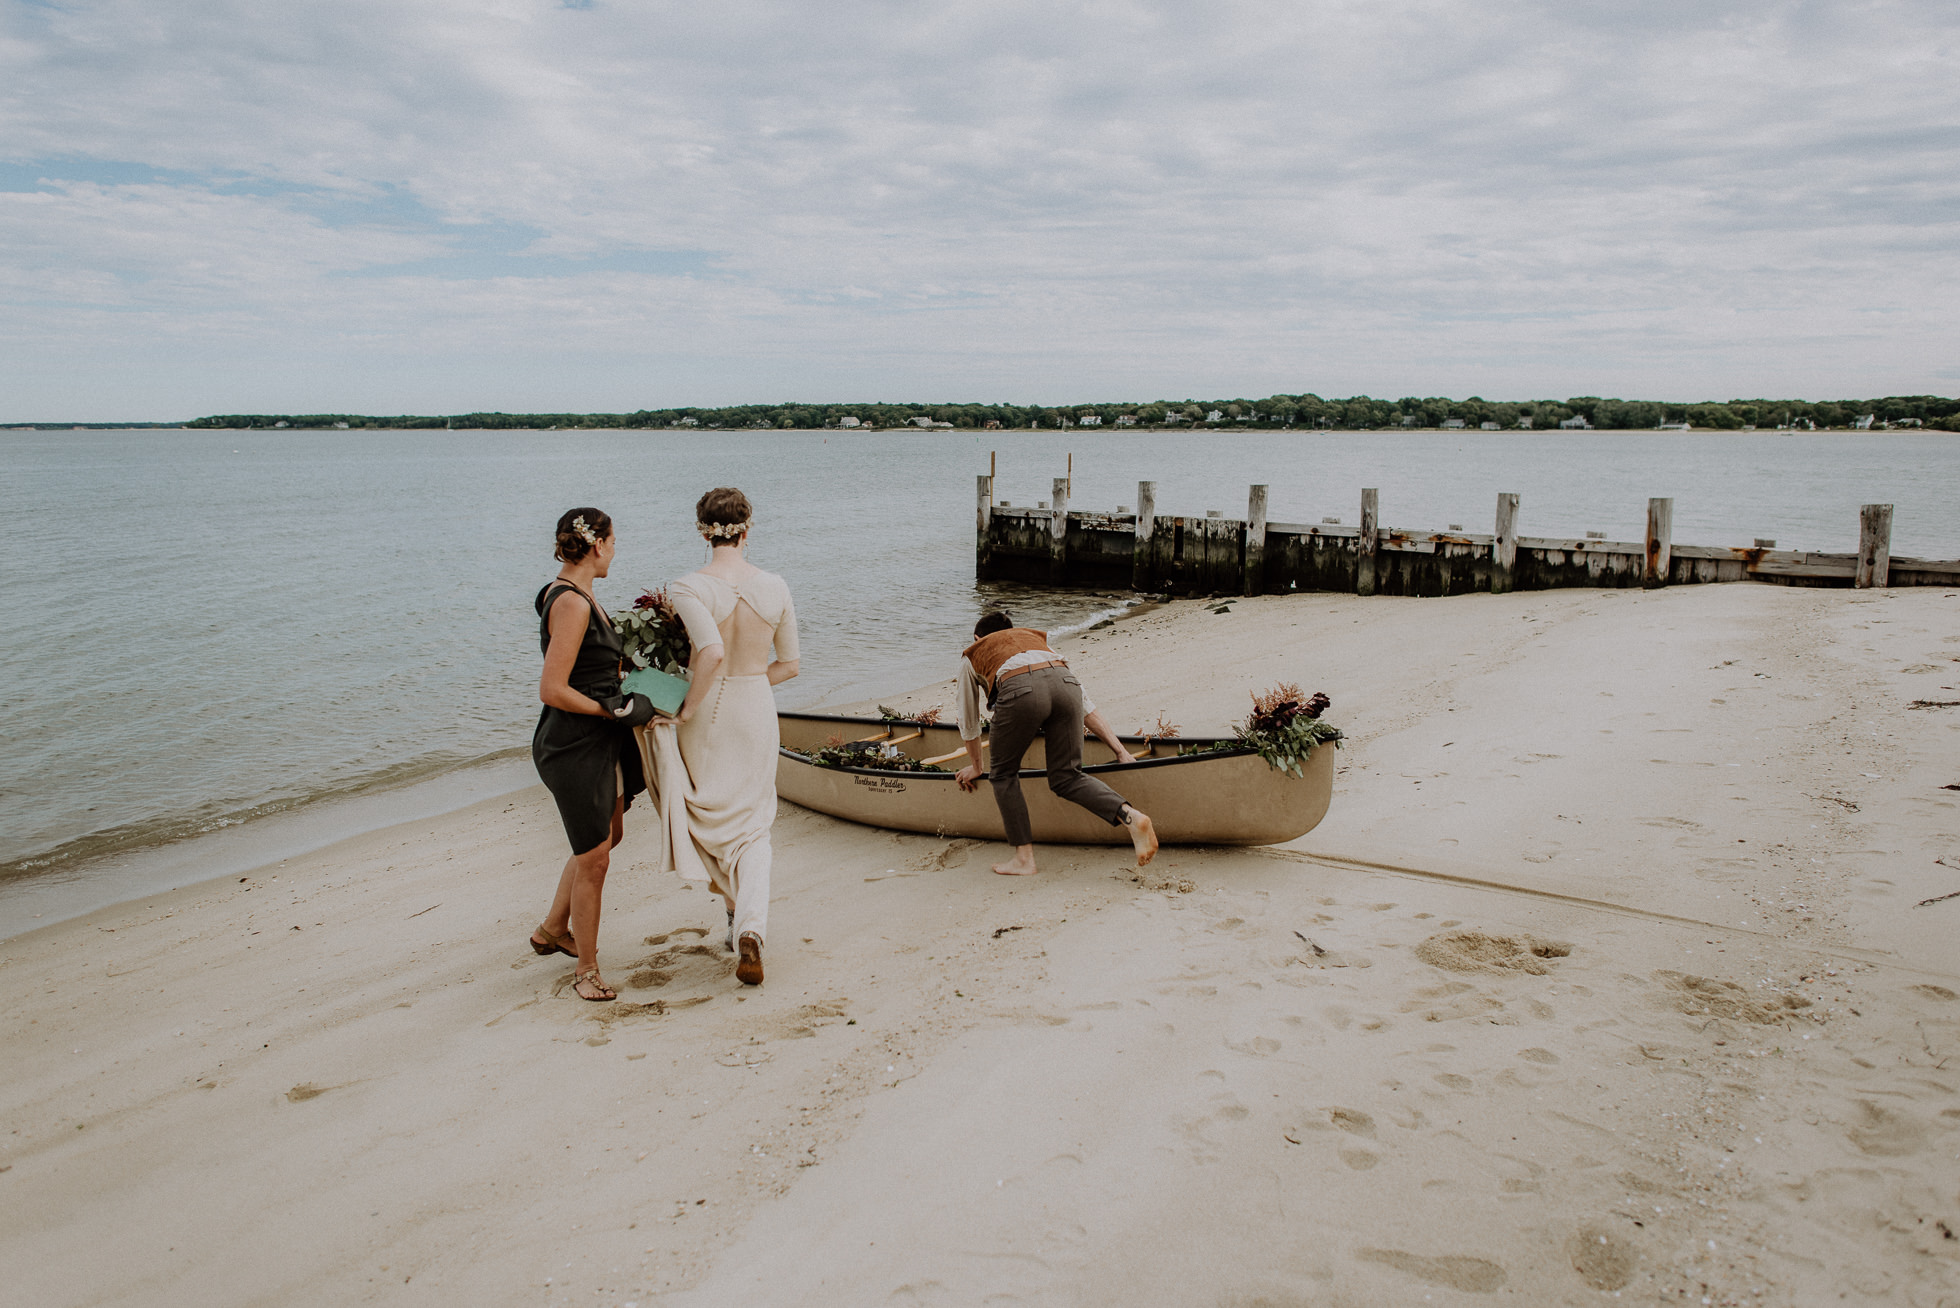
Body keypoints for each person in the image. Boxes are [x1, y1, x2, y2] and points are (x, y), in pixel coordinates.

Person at [640, 488, 799, 986]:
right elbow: (790, 665)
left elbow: (709, 654)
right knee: (753, 823)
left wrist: (687, 708)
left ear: (702, 531)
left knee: (703, 811)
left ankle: (737, 914)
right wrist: (749, 684)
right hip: (756, 710)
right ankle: (748, 924)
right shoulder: (776, 586)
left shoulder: (689, 586)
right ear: (747, 529)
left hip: (707, 711)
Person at [529, 508, 657, 1002]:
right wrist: (610, 712)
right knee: (594, 858)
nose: (616, 548)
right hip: (573, 743)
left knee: (609, 834)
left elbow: (588, 665)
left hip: (599, 738)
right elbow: (553, 688)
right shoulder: (571, 603)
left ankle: (552, 929)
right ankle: (586, 969)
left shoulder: (572, 593)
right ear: (598, 543)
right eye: (614, 539)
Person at [954, 611, 1157, 875]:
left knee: (1003, 774)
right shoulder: (1035, 642)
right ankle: (1131, 816)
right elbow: (1086, 707)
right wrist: (1120, 751)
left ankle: (1024, 860)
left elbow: (968, 719)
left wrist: (976, 766)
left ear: (976, 638)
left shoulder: (974, 652)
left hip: (1021, 691)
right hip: (1066, 685)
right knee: (1067, 776)